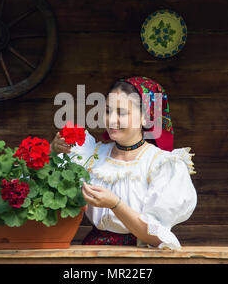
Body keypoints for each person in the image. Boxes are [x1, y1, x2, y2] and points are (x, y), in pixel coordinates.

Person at [51, 76, 197, 250]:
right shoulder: (92, 155)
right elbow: (41, 179)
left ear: (145, 118)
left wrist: (115, 204)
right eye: (107, 111)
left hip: (139, 257)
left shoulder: (160, 164)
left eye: (121, 113)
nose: (112, 120)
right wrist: (53, 150)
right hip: (92, 252)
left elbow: (157, 239)